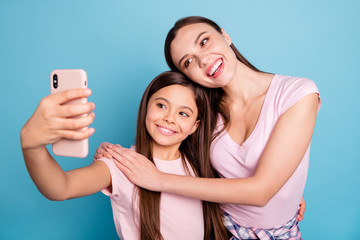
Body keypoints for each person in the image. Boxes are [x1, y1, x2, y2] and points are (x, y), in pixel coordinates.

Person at [95, 16, 320, 239]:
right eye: (188, 62)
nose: (202, 60)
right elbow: (175, 155)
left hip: (279, 233)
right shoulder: (202, 114)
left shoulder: (297, 93)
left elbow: (262, 192)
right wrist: (115, 156)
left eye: (204, 41)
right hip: (214, 227)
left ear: (225, 35)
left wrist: (285, 189)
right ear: (186, 76)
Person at [20, 71, 228, 240]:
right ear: (147, 107)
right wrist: (32, 147)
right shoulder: (121, 163)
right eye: (161, 105)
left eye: (183, 113)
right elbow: (60, 187)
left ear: (195, 126)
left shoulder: (198, 164)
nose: (169, 118)